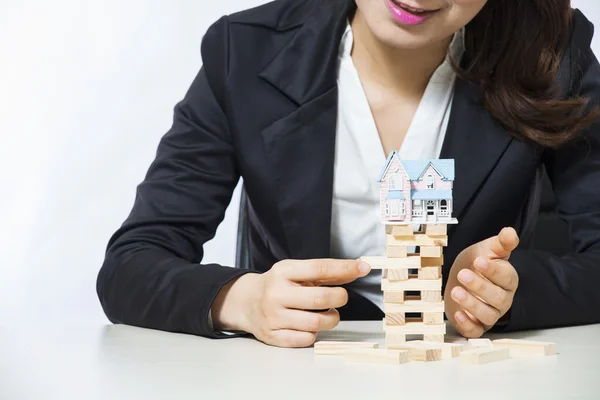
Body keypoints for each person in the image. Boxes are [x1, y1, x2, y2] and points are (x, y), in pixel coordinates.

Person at [96, 0, 600, 348]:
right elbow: (130, 267)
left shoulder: (554, 55)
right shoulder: (243, 51)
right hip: (292, 375)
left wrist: (504, 291)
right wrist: (242, 300)